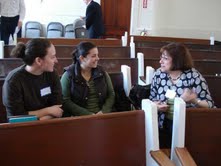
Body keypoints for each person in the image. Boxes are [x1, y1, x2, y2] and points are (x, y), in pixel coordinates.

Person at [149, 42, 215, 148]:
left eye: (165, 58)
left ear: (177, 60)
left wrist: (194, 101)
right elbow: (152, 99)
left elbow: (210, 106)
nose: (160, 61)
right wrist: (156, 106)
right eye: (161, 58)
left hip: (188, 125)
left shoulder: (194, 76)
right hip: (163, 123)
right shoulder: (159, 74)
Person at [2, 38, 63, 120]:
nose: (56, 60)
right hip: (22, 128)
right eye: (52, 57)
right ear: (38, 61)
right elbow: (16, 116)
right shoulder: (13, 81)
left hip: (49, 123)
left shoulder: (52, 74)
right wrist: (48, 111)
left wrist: (42, 120)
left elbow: (58, 108)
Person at [60, 41, 115, 116]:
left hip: (102, 115)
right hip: (79, 117)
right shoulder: (68, 75)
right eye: (93, 56)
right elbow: (65, 100)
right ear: (82, 58)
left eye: (97, 55)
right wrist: (88, 114)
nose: (98, 58)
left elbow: (111, 94)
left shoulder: (102, 72)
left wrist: (103, 112)